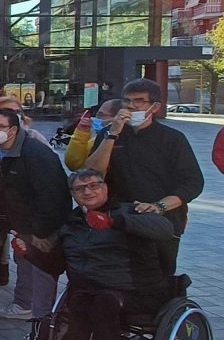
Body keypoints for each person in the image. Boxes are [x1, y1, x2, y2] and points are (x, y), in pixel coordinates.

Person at [19, 169, 174, 340]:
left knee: (101, 303)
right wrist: (28, 252)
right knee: (79, 302)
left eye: (94, 185)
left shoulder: (129, 211)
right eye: (80, 188)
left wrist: (116, 221)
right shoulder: (72, 224)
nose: (88, 191)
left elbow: (165, 230)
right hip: (92, 292)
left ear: (106, 187)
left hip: (138, 292)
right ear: (73, 194)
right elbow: (55, 265)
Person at [84, 77, 204, 276]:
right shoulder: (110, 133)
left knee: (158, 278)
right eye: (127, 101)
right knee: (117, 276)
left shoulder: (173, 139)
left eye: (139, 101)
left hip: (162, 220)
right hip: (119, 217)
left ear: (154, 107)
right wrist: (112, 134)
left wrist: (160, 206)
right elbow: (93, 173)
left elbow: (193, 182)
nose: (131, 106)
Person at [0, 108, 70, 321]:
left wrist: (41, 232)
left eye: (0, 127)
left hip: (42, 224)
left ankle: (42, 321)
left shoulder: (36, 153)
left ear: (13, 129)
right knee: (24, 262)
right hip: (20, 223)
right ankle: (24, 305)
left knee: (42, 269)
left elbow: (53, 194)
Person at [65, 99, 122, 171]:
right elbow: (73, 165)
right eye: (96, 115)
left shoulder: (130, 142)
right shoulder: (94, 141)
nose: (94, 119)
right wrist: (81, 134)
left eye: (101, 115)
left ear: (118, 118)